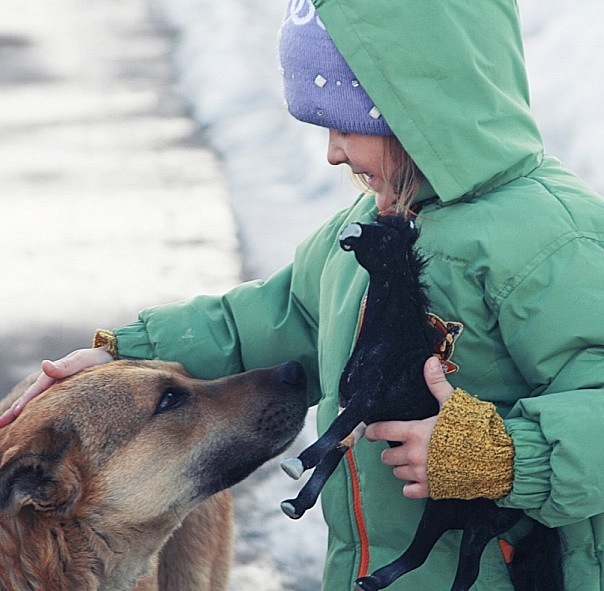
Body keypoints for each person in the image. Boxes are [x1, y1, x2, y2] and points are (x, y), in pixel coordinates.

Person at [3, 0, 604, 588]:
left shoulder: (552, 242)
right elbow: (277, 321)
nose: (332, 151)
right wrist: (128, 352)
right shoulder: (366, 230)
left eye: (346, 124)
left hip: (509, 567)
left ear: (418, 110)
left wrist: (502, 456)